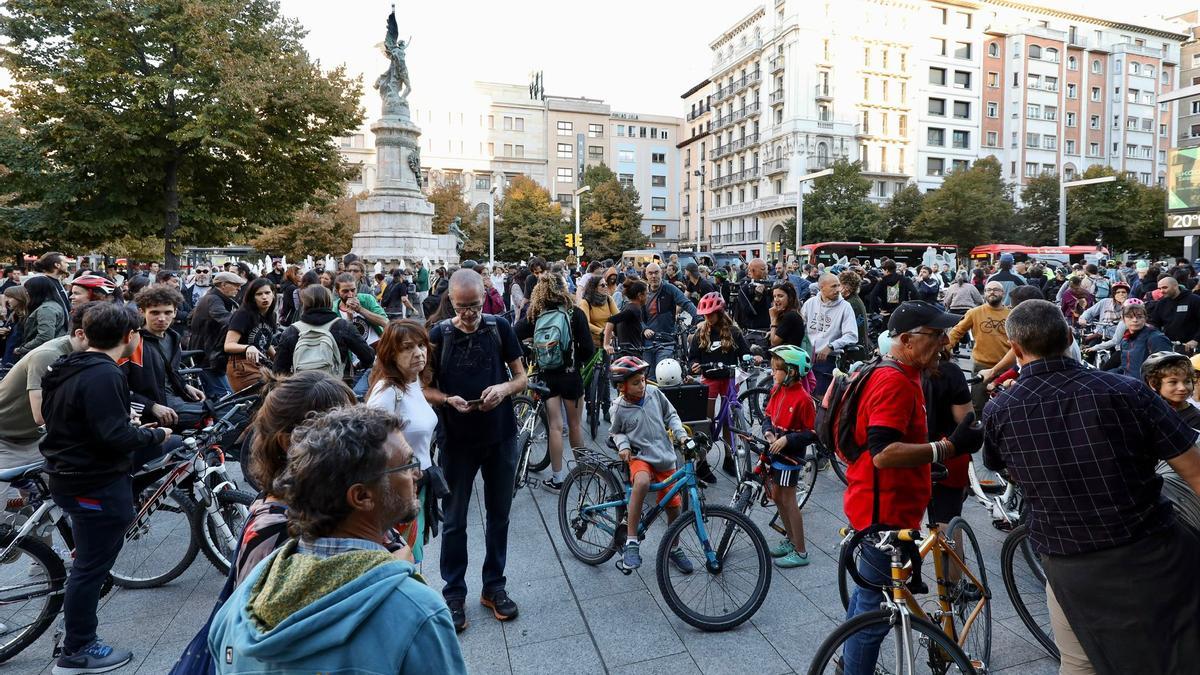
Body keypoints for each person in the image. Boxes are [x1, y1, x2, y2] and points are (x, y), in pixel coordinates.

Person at [983, 300, 1200, 675]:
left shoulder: (1001, 410)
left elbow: (1003, 467)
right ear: (1069, 338)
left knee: (1080, 661)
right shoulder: (1127, 392)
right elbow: (1194, 470)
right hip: (1152, 547)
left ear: (1015, 348)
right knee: (1179, 647)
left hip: (1069, 558)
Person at [208, 405, 466, 674]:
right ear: (362, 496)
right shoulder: (417, 612)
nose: (418, 474)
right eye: (407, 465)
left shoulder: (242, 602)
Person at [840, 301, 984, 675]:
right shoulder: (895, 382)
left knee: (868, 597)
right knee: (873, 615)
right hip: (883, 511)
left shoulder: (902, 372)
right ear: (905, 339)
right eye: (935, 335)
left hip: (881, 502)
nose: (944, 342)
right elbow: (883, 454)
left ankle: (847, 662)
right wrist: (947, 447)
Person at [42, 303, 173, 674]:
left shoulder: (69, 364)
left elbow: (78, 419)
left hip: (69, 473)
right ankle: (78, 650)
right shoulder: (105, 374)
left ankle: (77, 640)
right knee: (89, 569)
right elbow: (114, 437)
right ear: (130, 337)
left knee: (87, 564)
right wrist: (154, 433)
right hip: (93, 481)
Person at [426, 269, 527, 632]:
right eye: (462, 307)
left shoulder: (499, 327)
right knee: (454, 520)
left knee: (499, 516)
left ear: (484, 297)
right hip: (457, 441)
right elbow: (424, 388)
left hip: (499, 435)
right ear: (450, 301)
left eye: (475, 306)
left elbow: (521, 376)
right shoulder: (439, 334)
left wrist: (502, 390)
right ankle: (454, 593)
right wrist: (446, 399)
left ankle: (494, 586)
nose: (469, 314)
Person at [607, 355, 696, 574]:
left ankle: (674, 548)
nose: (642, 385)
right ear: (622, 387)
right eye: (636, 382)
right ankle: (631, 541)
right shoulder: (618, 408)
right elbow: (616, 432)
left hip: (664, 456)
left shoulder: (655, 394)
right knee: (642, 482)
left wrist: (681, 435)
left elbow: (671, 415)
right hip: (640, 457)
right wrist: (624, 446)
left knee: (674, 505)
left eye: (643, 380)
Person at [366, 320, 438, 563]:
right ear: (391, 354)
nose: (418, 353)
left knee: (414, 555)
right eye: (407, 348)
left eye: (421, 345)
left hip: (418, 487)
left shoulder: (412, 381)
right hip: (399, 493)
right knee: (404, 559)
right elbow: (370, 447)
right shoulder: (386, 393)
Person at [515, 273, 594, 492]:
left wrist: (527, 354)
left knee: (555, 427)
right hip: (571, 376)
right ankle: (583, 471)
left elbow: (513, 334)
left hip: (547, 377)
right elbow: (588, 349)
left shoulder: (535, 314)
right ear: (563, 288)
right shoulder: (574, 313)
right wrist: (576, 360)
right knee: (576, 425)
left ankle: (558, 479)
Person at [0, 302, 92, 470]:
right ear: (81, 334)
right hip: (6, 440)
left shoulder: (87, 355)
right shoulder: (48, 355)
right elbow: (41, 416)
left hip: (35, 439)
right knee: (10, 497)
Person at [761, 345, 816, 569]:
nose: (772, 373)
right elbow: (767, 414)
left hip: (790, 459)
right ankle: (790, 539)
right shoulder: (777, 390)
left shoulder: (803, 399)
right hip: (775, 453)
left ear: (791, 372)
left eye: (776, 369)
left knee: (788, 500)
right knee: (777, 496)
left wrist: (787, 440)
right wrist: (768, 432)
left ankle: (801, 550)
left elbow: (811, 433)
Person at [125, 285, 205, 428]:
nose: (162, 318)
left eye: (168, 312)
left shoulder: (173, 337)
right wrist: (151, 406)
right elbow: (118, 388)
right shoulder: (132, 342)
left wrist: (185, 386)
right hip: (153, 412)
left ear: (175, 312)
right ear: (142, 312)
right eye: (155, 313)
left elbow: (169, 373)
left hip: (177, 401)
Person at [273, 285, 375, 379]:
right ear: (329, 302)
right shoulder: (343, 326)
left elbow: (278, 371)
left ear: (304, 303)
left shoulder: (291, 331)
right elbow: (368, 357)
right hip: (337, 388)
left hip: (301, 390)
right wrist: (356, 366)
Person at [947, 281, 1010, 414]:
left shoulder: (1011, 314)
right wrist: (944, 349)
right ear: (984, 293)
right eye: (988, 290)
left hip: (1006, 366)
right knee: (978, 407)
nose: (992, 292)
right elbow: (957, 332)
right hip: (982, 367)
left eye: (996, 290)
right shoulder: (974, 313)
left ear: (1003, 293)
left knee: (1007, 406)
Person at [800, 274, 858, 396]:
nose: (838, 289)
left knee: (821, 397)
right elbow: (800, 327)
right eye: (833, 286)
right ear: (822, 287)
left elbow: (852, 335)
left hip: (828, 359)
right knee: (803, 395)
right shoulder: (810, 303)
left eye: (838, 285)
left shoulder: (845, 307)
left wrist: (831, 346)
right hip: (806, 356)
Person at [190, 271, 245, 399]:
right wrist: (245, 325)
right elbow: (224, 318)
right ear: (224, 285)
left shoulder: (212, 297)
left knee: (215, 394)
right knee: (226, 397)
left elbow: (189, 317)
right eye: (236, 284)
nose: (239, 288)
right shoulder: (214, 299)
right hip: (208, 355)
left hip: (206, 352)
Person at [640, 262, 697, 373]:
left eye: (656, 272)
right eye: (650, 273)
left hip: (666, 340)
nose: (653, 276)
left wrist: (699, 318)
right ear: (646, 275)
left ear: (662, 273)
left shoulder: (669, 289)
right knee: (648, 376)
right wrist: (644, 328)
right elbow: (636, 316)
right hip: (647, 342)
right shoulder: (643, 292)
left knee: (664, 373)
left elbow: (686, 303)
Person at [223, 277, 277, 392]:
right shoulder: (243, 314)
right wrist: (248, 347)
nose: (264, 297)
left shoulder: (271, 316)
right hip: (241, 367)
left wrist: (279, 359)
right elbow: (228, 345)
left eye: (267, 293)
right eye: (259, 294)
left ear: (274, 294)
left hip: (261, 366)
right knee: (272, 394)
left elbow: (266, 343)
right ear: (252, 298)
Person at [1142, 351, 1200, 430]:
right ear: (1153, 384)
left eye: (1187, 381)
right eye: (1173, 382)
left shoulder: (1196, 419)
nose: (1182, 388)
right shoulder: (1146, 412)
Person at [16, 275, 69, 358]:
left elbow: (45, 336)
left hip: (42, 355)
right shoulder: (51, 305)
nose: (26, 294)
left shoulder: (46, 309)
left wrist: (23, 348)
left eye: (27, 291)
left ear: (35, 291)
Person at [1117, 299, 1172, 376]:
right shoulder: (1125, 340)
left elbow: (1167, 368)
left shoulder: (1156, 338)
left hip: (1146, 385)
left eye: (1139, 317)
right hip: (1128, 383)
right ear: (1123, 319)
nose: (1135, 320)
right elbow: (1125, 368)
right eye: (1130, 317)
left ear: (1145, 318)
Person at [1149, 276, 1200, 350]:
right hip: (1169, 346)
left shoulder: (1194, 300)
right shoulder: (1161, 303)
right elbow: (1154, 323)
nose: (1161, 291)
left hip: (1191, 347)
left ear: (1175, 286)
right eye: (1159, 288)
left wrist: (1196, 340)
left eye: (1165, 287)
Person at [604, 279, 651, 356]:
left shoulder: (628, 307)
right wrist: (606, 344)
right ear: (640, 296)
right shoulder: (634, 309)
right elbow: (611, 320)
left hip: (626, 354)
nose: (648, 297)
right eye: (647, 294)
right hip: (630, 356)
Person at [734, 259, 773, 336]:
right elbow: (748, 312)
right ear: (752, 270)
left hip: (769, 330)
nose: (766, 272)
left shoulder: (769, 285)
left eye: (766, 269)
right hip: (754, 332)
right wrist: (757, 297)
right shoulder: (745, 288)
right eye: (762, 269)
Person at [1, 286, 28, 367]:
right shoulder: (14, 314)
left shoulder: (27, 316)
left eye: (9, 297)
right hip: (8, 358)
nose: (6, 300)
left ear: (19, 298)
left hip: (17, 360)